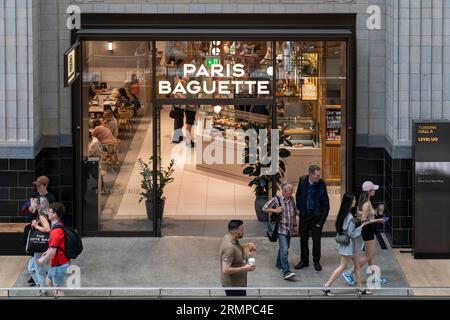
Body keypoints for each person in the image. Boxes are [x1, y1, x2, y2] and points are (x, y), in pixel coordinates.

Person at [322, 193, 379, 296]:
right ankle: (327, 286)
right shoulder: (349, 217)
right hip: (349, 247)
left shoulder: (343, 214)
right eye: (353, 200)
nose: (355, 201)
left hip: (351, 247)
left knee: (357, 266)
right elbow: (351, 234)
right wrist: (362, 226)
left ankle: (360, 289)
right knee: (343, 266)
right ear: (349, 202)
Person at [342, 181, 387, 286]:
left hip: (368, 231)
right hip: (367, 231)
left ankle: (375, 277)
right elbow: (363, 221)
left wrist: (376, 213)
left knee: (370, 256)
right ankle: (349, 273)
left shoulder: (365, 202)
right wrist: (378, 220)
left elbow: (366, 216)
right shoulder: (366, 204)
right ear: (369, 191)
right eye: (373, 189)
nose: (375, 191)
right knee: (369, 255)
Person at [295, 165, 330, 271]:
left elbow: (326, 204)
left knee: (316, 240)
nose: (319, 177)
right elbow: (298, 195)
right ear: (310, 174)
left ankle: (316, 261)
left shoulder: (321, 184)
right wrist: (299, 209)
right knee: (303, 239)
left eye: (319, 175)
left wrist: (321, 221)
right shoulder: (302, 180)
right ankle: (304, 261)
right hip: (304, 216)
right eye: (317, 175)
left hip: (316, 217)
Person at [263, 183, 298, 280]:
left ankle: (279, 263)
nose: (292, 191)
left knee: (284, 248)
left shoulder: (291, 199)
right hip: (280, 229)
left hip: (289, 229)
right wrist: (276, 210)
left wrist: (295, 225)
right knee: (285, 249)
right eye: (291, 190)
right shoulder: (276, 199)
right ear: (284, 190)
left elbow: (294, 213)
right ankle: (286, 272)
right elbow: (264, 208)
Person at [38, 203, 70, 297]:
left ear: (55, 214)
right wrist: (47, 250)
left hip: (59, 265)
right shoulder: (58, 225)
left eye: (50, 212)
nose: (48, 213)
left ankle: (58, 295)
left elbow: (53, 250)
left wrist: (42, 260)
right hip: (55, 263)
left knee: (60, 291)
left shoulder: (56, 231)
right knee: (48, 281)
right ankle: (55, 295)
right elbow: (54, 246)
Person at [219, 220, 256, 296]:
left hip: (238, 282)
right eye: (242, 230)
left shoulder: (229, 238)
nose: (243, 232)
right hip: (233, 286)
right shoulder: (229, 248)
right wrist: (244, 268)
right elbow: (225, 270)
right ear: (236, 232)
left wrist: (246, 246)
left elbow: (235, 249)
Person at [26, 198, 51, 293]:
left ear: (40, 205)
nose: (32, 202)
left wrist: (36, 226)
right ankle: (42, 286)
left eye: (34, 201)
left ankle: (44, 290)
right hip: (43, 244)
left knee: (39, 269)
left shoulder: (41, 215)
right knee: (34, 267)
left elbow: (47, 229)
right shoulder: (44, 214)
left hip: (40, 244)